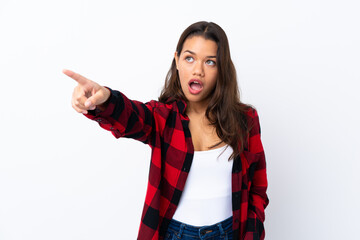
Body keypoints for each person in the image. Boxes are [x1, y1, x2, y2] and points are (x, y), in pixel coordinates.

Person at [63, 21, 269, 240]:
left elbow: (257, 187)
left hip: (229, 233)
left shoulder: (245, 119)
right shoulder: (163, 117)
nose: (198, 70)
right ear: (177, 60)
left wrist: (252, 233)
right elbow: (131, 116)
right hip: (176, 235)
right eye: (189, 58)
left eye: (210, 62)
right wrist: (105, 99)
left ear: (222, 69)